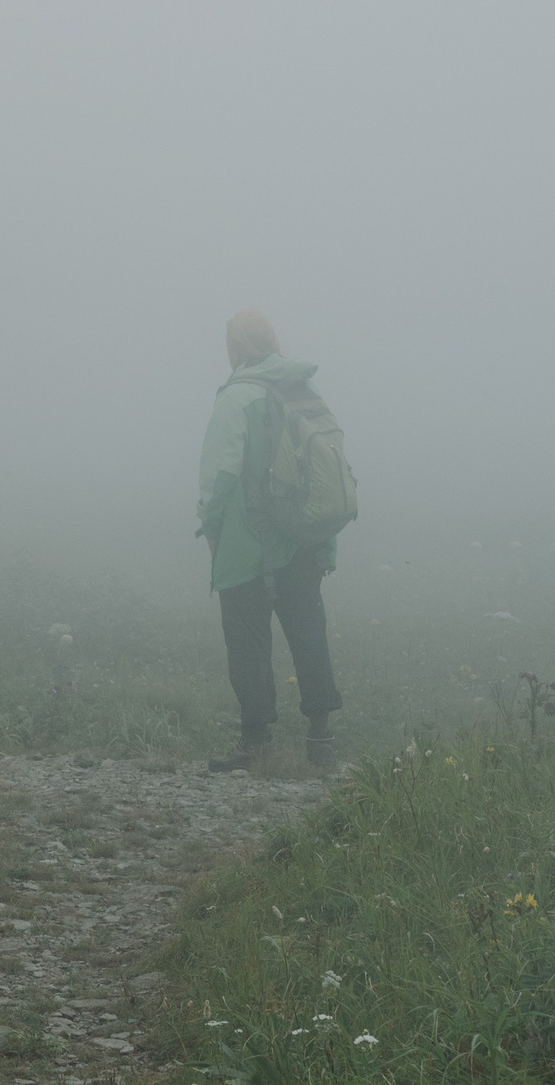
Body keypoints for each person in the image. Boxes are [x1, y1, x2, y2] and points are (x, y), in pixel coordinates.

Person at [197, 308, 343, 770]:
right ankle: (320, 742)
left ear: (236, 348)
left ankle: (255, 742)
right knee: (309, 635)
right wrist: (326, 541)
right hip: (303, 539)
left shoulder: (236, 396)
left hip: (247, 542)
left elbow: (220, 473)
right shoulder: (304, 389)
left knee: (247, 640)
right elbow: (330, 470)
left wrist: (211, 528)